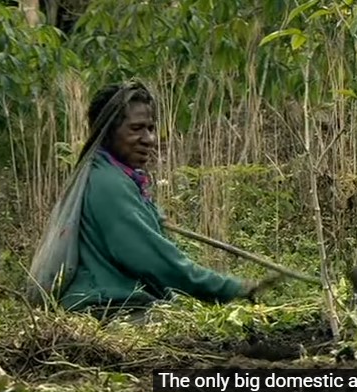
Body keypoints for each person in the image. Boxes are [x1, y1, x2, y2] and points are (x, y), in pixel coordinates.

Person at [59, 81, 275, 322]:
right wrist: (230, 288)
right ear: (107, 132)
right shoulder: (107, 184)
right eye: (136, 129)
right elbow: (155, 261)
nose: (149, 139)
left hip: (116, 304)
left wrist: (152, 214)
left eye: (151, 128)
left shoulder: (110, 175)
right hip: (105, 309)